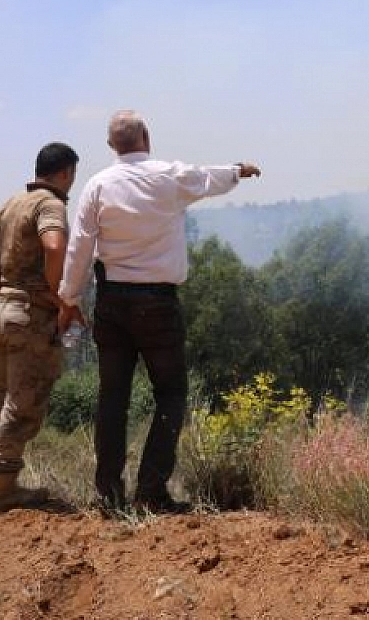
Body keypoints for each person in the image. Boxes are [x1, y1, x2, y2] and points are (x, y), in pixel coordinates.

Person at [58, 110, 260, 513]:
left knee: (113, 397)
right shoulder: (169, 175)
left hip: (111, 302)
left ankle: (109, 495)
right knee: (170, 393)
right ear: (146, 137)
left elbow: (80, 248)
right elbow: (208, 177)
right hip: (158, 304)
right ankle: (151, 491)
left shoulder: (97, 186)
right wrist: (239, 170)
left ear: (112, 145)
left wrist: (69, 300)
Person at [0, 141, 81, 513]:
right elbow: (53, 247)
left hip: (3, 312)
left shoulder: (13, 202)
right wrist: (61, 297)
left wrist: (1, 290)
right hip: (31, 318)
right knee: (23, 402)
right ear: (65, 173)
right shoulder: (50, 205)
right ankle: (1, 490)